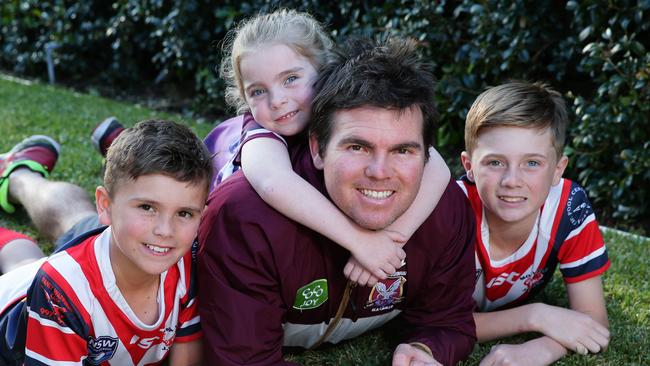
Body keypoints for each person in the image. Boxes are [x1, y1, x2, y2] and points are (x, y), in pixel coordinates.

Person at [198, 37, 477, 365]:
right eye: (357, 147)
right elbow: (244, 359)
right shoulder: (245, 218)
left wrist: (427, 348)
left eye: (403, 150)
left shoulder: (444, 208)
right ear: (317, 148)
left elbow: (447, 320)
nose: (380, 172)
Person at [204, 8, 451, 287]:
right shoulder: (260, 132)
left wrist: (392, 240)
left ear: (322, 70)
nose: (276, 100)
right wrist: (360, 241)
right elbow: (273, 182)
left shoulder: (342, 110)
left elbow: (437, 166)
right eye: (258, 91)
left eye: (290, 79)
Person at [0, 120, 212, 365]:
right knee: (27, 271)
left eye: (184, 213)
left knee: (29, 263)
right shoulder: (61, 289)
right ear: (105, 205)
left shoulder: (186, 261)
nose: (166, 231)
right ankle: (17, 177)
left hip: (54, 280)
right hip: (13, 327)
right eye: (147, 207)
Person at [457, 81, 611, 365]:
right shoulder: (451, 211)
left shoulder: (568, 207)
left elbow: (594, 322)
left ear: (557, 169)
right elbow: (437, 323)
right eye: (494, 162)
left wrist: (544, 348)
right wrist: (534, 315)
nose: (512, 181)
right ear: (469, 166)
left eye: (532, 163)